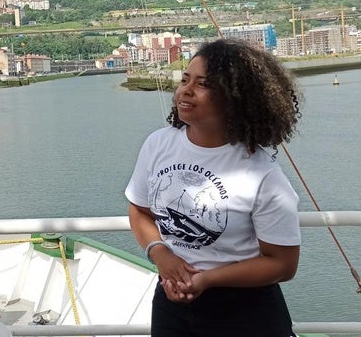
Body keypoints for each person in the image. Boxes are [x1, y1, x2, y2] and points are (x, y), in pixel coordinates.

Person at [125, 38, 302, 337]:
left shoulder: (262, 174)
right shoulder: (158, 144)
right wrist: (161, 255)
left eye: (203, 84)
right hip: (172, 304)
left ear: (234, 98)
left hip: (245, 312)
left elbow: (283, 265)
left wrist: (207, 279)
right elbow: (140, 211)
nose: (185, 90)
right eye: (184, 79)